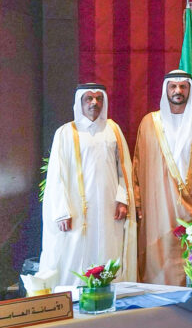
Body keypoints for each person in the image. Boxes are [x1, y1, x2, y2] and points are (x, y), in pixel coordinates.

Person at [40, 84, 137, 286]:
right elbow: (57, 175)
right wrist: (62, 211)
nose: (94, 103)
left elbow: (124, 169)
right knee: (75, 254)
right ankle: (74, 296)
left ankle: (110, 293)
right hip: (77, 210)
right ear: (80, 103)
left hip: (109, 209)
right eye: (89, 99)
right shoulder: (65, 133)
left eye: (98, 98)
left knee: (109, 250)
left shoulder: (113, 130)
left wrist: (122, 200)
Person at [133, 70, 192, 285]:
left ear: (190, 90)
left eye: (183, 86)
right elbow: (138, 165)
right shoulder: (149, 122)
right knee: (159, 256)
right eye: (173, 86)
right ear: (166, 90)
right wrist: (137, 201)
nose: (178, 91)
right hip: (158, 207)